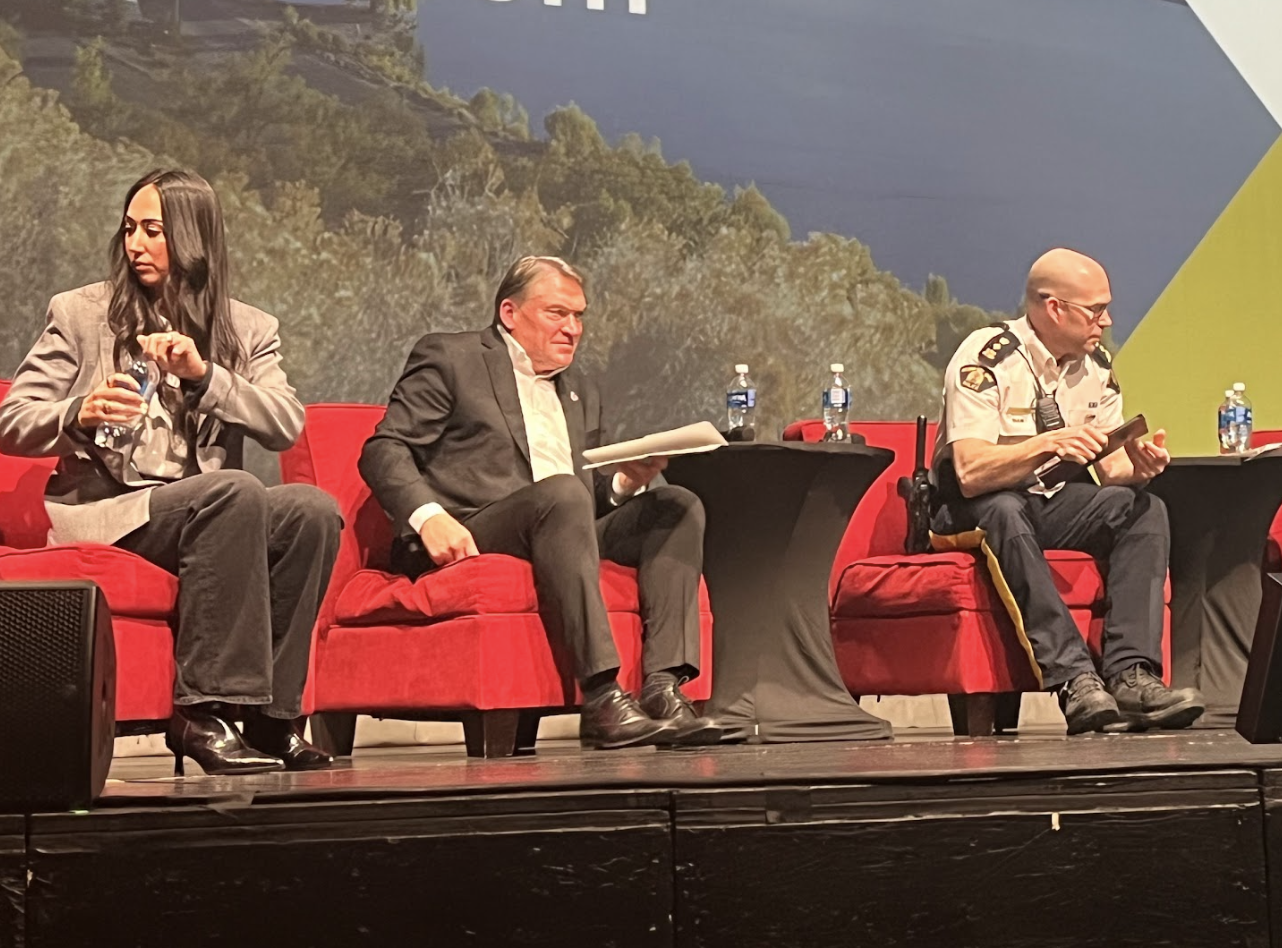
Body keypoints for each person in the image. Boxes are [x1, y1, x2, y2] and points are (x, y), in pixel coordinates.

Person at [0, 169, 341, 775]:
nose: (136, 244)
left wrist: (205, 376)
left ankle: (274, 718)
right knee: (234, 491)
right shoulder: (80, 314)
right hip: (115, 515)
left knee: (311, 512)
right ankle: (203, 713)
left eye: (153, 231)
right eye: (130, 228)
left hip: (211, 518)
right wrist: (79, 411)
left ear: (192, 238)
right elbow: (13, 419)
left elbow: (285, 422)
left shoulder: (247, 328)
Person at [359, 256, 717, 750]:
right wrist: (429, 518)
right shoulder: (452, 358)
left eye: (579, 316)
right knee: (562, 493)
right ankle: (601, 696)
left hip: (558, 523)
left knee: (675, 505)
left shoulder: (581, 391)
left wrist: (624, 482)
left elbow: (582, 502)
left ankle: (663, 689)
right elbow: (384, 449)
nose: (572, 329)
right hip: (473, 529)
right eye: (557, 313)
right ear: (509, 312)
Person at [931, 248, 1204, 734]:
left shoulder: (1094, 366)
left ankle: (1131, 675)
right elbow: (970, 472)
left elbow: (1113, 470)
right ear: (1054, 308)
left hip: (1046, 500)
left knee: (1141, 510)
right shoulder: (985, 357)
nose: (1106, 320)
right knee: (1004, 509)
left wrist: (1140, 468)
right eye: (1095, 310)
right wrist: (1047, 444)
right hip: (967, 508)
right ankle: (1074, 679)